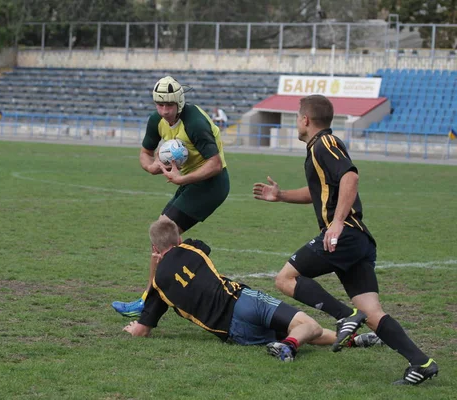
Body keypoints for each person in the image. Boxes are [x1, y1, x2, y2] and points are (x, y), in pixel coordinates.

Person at [252, 94, 438, 385]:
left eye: (297, 117)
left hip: (346, 234)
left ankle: (344, 316)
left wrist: (336, 224)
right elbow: (321, 192)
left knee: (285, 279)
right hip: (357, 239)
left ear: (305, 119)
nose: (296, 123)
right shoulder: (318, 148)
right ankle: (421, 362)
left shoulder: (325, 143)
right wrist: (281, 195)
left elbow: (350, 176)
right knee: (373, 314)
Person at [123, 219, 382, 361]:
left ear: (154, 250)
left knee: (296, 330)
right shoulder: (192, 247)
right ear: (178, 240)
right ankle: (289, 346)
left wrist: (133, 329)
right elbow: (200, 245)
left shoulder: (158, 287)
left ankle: (354, 340)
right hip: (241, 300)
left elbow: (143, 330)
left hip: (233, 332)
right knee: (307, 326)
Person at [112, 76, 230, 318]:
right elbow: (145, 153)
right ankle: (180, 292)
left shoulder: (195, 122)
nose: (164, 111)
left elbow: (216, 164)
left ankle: (150, 301)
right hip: (190, 182)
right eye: (160, 105)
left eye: (169, 106)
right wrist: (151, 166)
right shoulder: (156, 120)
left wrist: (180, 179)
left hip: (212, 185)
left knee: (162, 234)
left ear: (180, 103)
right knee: (164, 238)